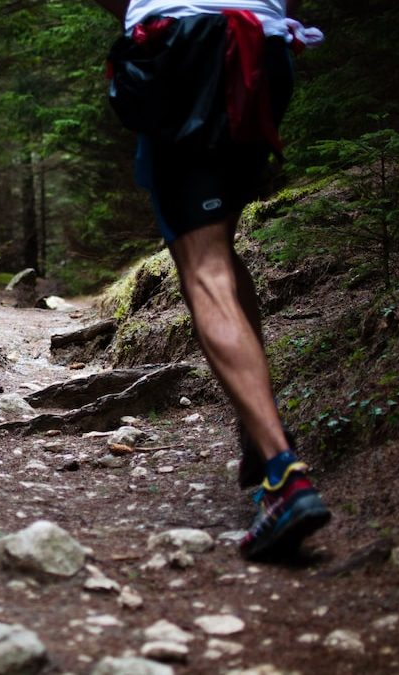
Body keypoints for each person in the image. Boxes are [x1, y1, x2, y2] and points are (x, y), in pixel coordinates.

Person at [95, 0, 330, 560]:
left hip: (182, 47)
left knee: (202, 266)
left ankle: (283, 475)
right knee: (218, 251)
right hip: (266, 50)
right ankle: (259, 431)